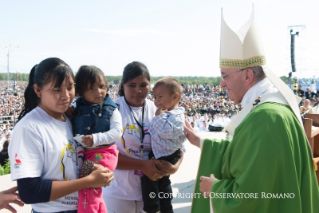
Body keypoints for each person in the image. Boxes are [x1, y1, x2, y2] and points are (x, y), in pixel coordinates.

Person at [185, 7, 319, 213]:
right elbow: (246, 155)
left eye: (225, 75)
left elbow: (251, 198)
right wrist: (200, 141)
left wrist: (215, 190)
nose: (221, 84)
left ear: (247, 76)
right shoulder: (270, 108)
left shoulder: (264, 118)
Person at [8, 58, 114, 213]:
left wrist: (99, 171)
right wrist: (88, 181)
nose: (66, 95)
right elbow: (29, 192)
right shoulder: (28, 128)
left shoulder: (72, 119)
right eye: (57, 90)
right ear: (38, 90)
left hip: (82, 207)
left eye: (70, 87)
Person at [102, 61, 184, 213]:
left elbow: (179, 144)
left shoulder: (160, 109)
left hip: (151, 193)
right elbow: (103, 155)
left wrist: (174, 167)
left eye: (143, 85)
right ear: (122, 85)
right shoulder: (111, 111)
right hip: (118, 193)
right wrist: (141, 165)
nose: (138, 91)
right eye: (132, 85)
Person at [68, 65, 122, 213]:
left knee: (87, 185)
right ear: (81, 92)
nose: (99, 92)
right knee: (95, 191)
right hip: (90, 154)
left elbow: (117, 132)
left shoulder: (111, 108)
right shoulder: (77, 105)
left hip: (104, 153)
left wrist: (95, 139)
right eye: (91, 88)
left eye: (102, 86)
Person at [141, 78, 186, 213]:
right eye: (155, 97)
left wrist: (159, 117)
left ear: (175, 96)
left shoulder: (176, 116)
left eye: (160, 97)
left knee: (149, 179)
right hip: (162, 154)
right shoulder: (169, 114)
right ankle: (165, 208)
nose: (156, 101)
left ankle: (153, 208)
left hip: (167, 155)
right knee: (162, 183)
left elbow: (166, 133)